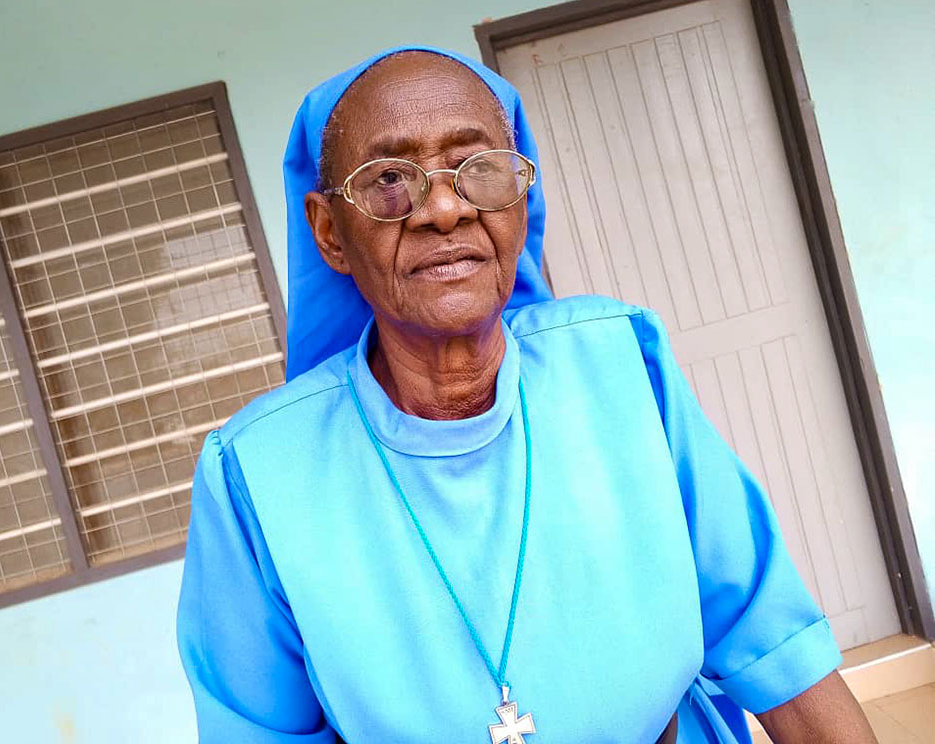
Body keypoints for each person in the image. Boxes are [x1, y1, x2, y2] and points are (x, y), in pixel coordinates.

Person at [177, 45, 878, 743]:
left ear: (520, 198)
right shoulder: (255, 474)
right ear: (330, 232)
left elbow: (775, 646)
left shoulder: (621, 359)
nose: (444, 208)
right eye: (390, 179)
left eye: (478, 168)